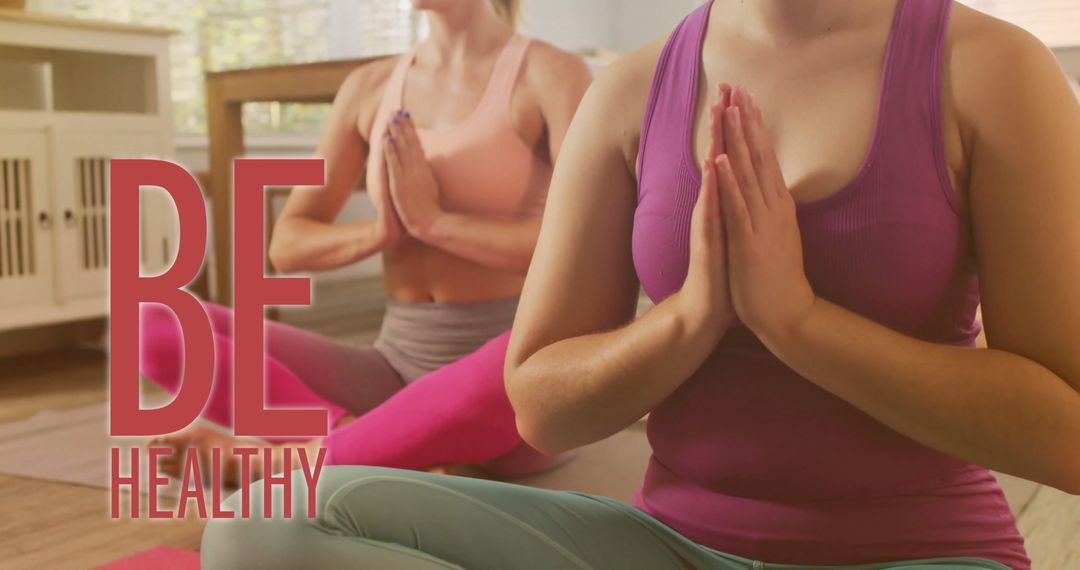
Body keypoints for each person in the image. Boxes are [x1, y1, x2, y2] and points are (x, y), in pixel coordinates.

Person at [201, 1, 1080, 569]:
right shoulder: (630, 90)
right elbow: (543, 403)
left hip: (915, 551)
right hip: (669, 547)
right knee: (266, 526)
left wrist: (800, 324)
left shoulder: (992, 69)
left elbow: (1067, 438)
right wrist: (692, 318)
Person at [139, 0, 592, 482]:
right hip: (391, 370)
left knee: (533, 367)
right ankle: (356, 445)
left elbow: (588, 248)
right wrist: (381, 233)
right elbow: (288, 244)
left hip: (501, 380)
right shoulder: (369, 88)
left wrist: (434, 223)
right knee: (152, 321)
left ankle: (292, 463)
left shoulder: (553, 75)